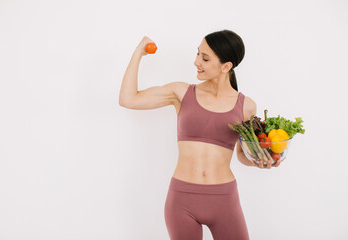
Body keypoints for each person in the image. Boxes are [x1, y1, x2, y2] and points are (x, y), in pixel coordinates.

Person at [119, 29, 282, 240]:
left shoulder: (246, 106)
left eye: (204, 58)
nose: (196, 62)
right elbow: (128, 99)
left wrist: (260, 161)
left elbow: (243, 154)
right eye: (197, 54)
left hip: (224, 199)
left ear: (226, 66)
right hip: (182, 200)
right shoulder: (181, 93)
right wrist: (138, 52)